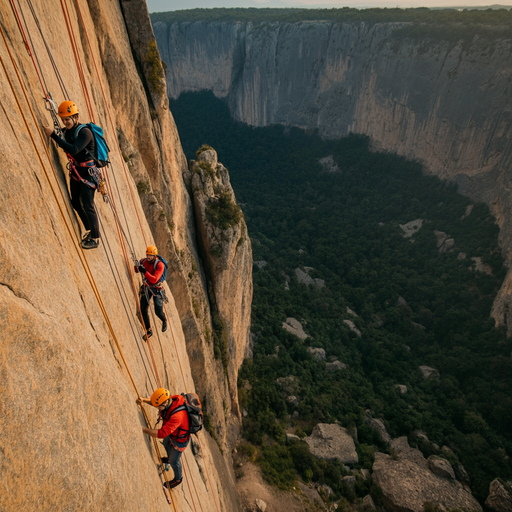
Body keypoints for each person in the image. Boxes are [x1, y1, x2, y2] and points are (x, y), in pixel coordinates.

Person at [43, 101, 101, 250]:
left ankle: (95, 239)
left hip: (88, 174)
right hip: (76, 171)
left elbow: (74, 149)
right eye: (63, 120)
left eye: (67, 119)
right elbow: (64, 137)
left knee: (88, 205)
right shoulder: (69, 130)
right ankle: (88, 228)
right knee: (75, 202)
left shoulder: (84, 132)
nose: (65, 122)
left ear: (75, 117)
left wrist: (53, 136)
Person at [137, 388, 190, 489]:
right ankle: (169, 458)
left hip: (180, 441)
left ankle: (178, 479)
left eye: (159, 407)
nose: (158, 409)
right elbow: (157, 403)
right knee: (166, 444)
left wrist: (143, 429)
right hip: (172, 432)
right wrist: (143, 400)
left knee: (175, 461)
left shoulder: (177, 416)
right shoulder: (171, 400)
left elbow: (161, 433)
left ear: (164, 403)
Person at [134, 245, 167, 340]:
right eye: (147, 255)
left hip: (157, 288)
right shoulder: (144, 261)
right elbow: (136, 270)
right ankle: (148, 330)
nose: (148, 257)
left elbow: (154, 279)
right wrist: (138, 267)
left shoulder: (160, 265)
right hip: (147, 287)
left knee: (158, 311)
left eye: (150, 256)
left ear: (155, 256)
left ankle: (164, 320)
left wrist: (144, 272)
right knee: (143, 309)